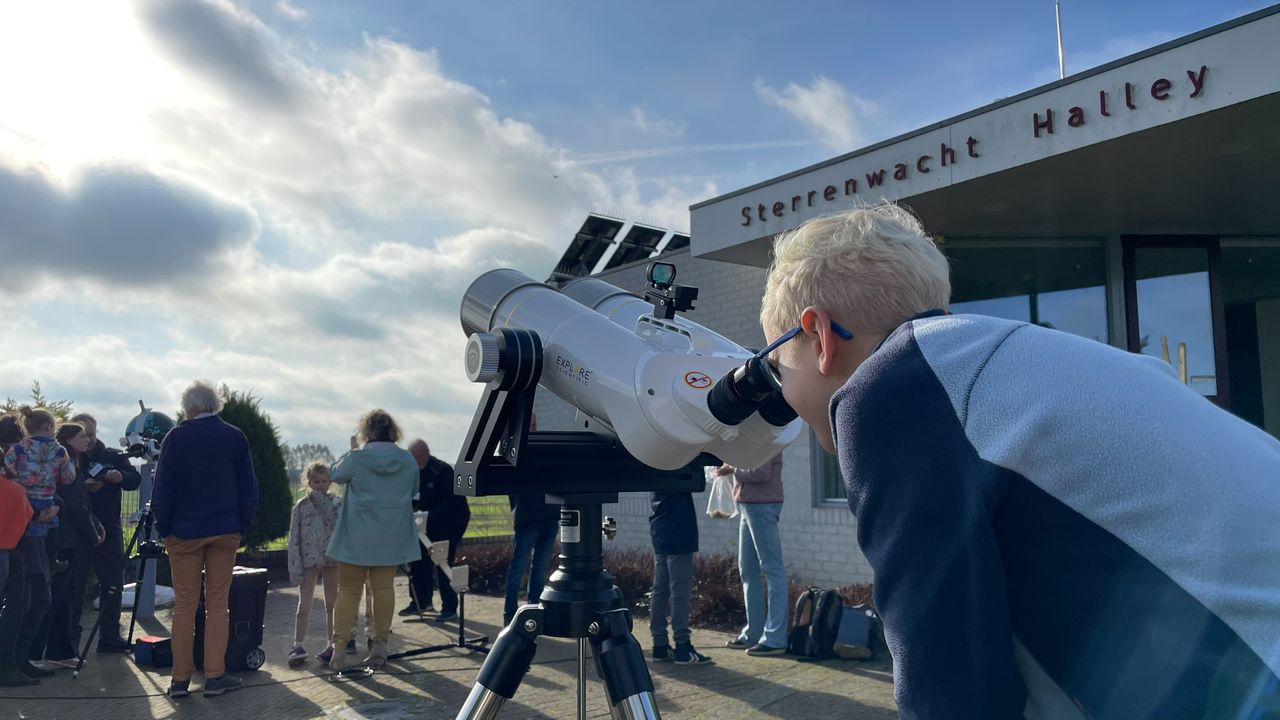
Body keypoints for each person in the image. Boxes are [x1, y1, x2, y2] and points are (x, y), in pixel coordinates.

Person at [757, 202, 1280, 718]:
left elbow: (949, 688)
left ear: (820, 334)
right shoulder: (1039, 361)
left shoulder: (892, 386)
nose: (783, 390)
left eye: (778, 367)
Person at [152, 381, 259, 699]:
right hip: (225, 529)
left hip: (184, 533)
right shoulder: (235, 436)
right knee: (218, 605)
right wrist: (241, 525)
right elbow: (248, 488)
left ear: (190, 407)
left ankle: (179, 680)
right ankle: (215, 676)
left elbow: (163, 487)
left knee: (185, 606)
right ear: (215, 405)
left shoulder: (176, 437)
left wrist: (165, 529)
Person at [325, 410, 419, 671]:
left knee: (348, 591)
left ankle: (339, 651)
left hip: (356, 537)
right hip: (390, 536)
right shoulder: (407, 460)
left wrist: (352, 449)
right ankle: (379, 646)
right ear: (394, 432)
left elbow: (335, 474)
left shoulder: (357, 458)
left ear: (366, 431)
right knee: (384, 589)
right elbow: (413, 490)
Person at [30, 423, 103, 666]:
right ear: (69, 440)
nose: (87, 440)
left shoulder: (70, 464)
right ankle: (38, 652)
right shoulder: (65, 464)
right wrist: (92, 533)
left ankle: (59, 651)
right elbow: (74, 505)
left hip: (69, 537)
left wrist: (94, 523)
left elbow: (80, 504)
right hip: (66, 539)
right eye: (82, 436)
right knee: (59, 595)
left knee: (66, 596)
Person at [69, 412, 141, 653]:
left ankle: (109, 636)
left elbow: (134, 480)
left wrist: (119, 476)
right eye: (83, 435)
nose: (88, 440)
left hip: (109, 529)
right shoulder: (68, 457)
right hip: (79, 531)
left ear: (96, 431)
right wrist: (84, 488)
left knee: (113, 584)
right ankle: (69, 641)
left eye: (90, 434)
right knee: (75, 587)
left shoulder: (112, 455)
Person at [717, 453, 787, 657]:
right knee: (747, 569)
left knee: (772, 569)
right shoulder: (751, 437)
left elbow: (761, 472)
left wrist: (732, 467)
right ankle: (754, 632)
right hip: (747, 504)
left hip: (762, 504)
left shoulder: (764, 436)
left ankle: (775, 638)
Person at [0, 414, 44, 687]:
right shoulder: (14, 478)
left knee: (20, 602)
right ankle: (7, 664)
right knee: (17, 602)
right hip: (9, 545)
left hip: (12, 545)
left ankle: (12, 661)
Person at [502, 413, 558, 627]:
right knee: (519, 566)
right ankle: (510, 613)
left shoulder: (544, 448)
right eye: (529, 425)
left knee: (540, 567)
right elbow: (510, 485)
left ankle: (534, 609)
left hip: (549, 516)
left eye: (534, 424)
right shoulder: (513, 451)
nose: (532, 428)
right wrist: (516, 508)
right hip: (527, 517)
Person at [406, 438, 469, 623]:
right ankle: (421, 602)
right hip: (424, 523)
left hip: (451, 521)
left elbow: (452, 501)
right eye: (413, 457)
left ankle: (449, 608)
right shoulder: (412, 473)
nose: (417, 461)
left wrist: (428, 514)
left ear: (427, 454)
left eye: (420, 456)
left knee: (442, 561)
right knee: (417, 559)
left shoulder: (443, 471)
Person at [286, 461, 341, 666]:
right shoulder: (301, 506)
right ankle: (298, 644)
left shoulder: (337, 504)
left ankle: (332, 644)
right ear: (308, 482)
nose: (320, 485)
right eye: (316, 481)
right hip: (308, 558)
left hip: (331, 558)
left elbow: (340, 528)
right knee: (305, 602)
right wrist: (295, 563)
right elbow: (294, 536)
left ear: (330, 482)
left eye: (324, 481)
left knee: (332, 603)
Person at [648, 491, 711, 665]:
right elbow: (694, 483)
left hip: (659, 526)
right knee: (680, 589)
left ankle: (659, 644)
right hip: (679, 528)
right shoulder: (676, 475)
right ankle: (682, 645)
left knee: (660, 588)